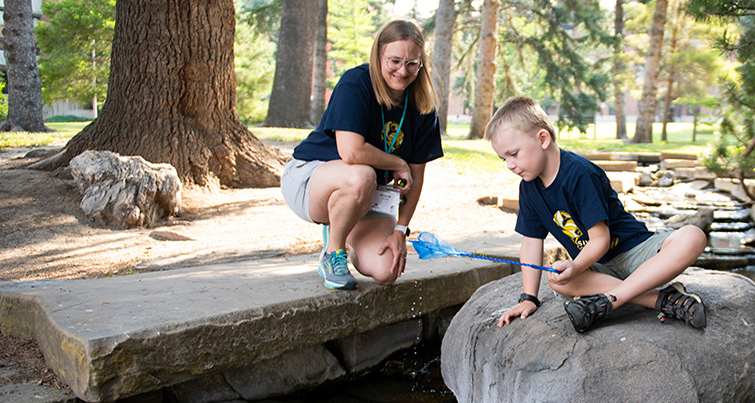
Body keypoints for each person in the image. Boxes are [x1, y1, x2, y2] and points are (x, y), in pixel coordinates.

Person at [485, 96, 709, 332]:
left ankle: (609, 300)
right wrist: (529, 298)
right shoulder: (528, 188)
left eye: (514, 154)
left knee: (693, 236)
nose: (510, 165)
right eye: (504, 159)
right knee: (558, 280)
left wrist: (576, 265)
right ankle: (660, 299)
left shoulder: (579, 173)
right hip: (598, 270)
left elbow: (600, 240)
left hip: (636, 254)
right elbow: (531, 241)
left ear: (543, 138)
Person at [280, 19, 442, 290]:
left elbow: (416, 177)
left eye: (412, 63)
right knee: (361, 175)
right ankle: (333, 253)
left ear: (421, 63)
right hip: (310, 180)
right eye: (394, 61)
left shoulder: (423, 107)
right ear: (378, 55)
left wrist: (401, 231)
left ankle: (347, 229)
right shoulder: (356, 83)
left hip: (368, 194)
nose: (403, 71)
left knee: (386, 270)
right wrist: (397, 163)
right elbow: (351, 151)